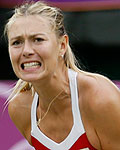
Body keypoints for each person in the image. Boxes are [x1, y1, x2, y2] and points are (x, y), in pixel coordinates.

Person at [4, 0, 120, 150]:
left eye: (38, 40)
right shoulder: (20, 108)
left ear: (62, 45)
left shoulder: (99, 97)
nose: (26, 51)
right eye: (16, 42)